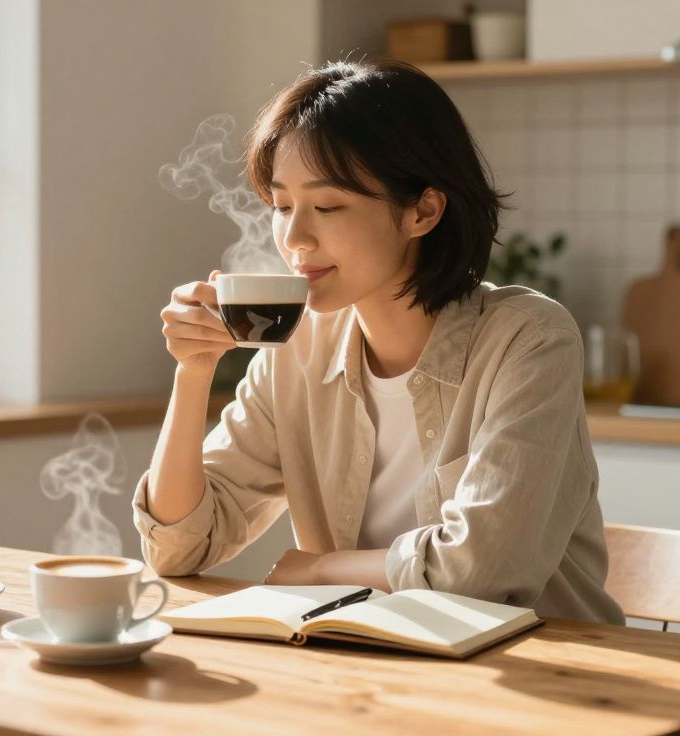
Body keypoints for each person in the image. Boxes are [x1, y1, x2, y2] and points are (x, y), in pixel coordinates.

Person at [133, 60, 624, 624]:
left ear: (422, 211)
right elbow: (178, 548)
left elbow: (482, 571)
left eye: (327, 206)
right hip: (367, 663)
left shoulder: (529, 341)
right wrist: (194, 371)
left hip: (541, 664)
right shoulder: (296, 351)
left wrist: (324, 569)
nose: (294, 238)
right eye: (282, 207)